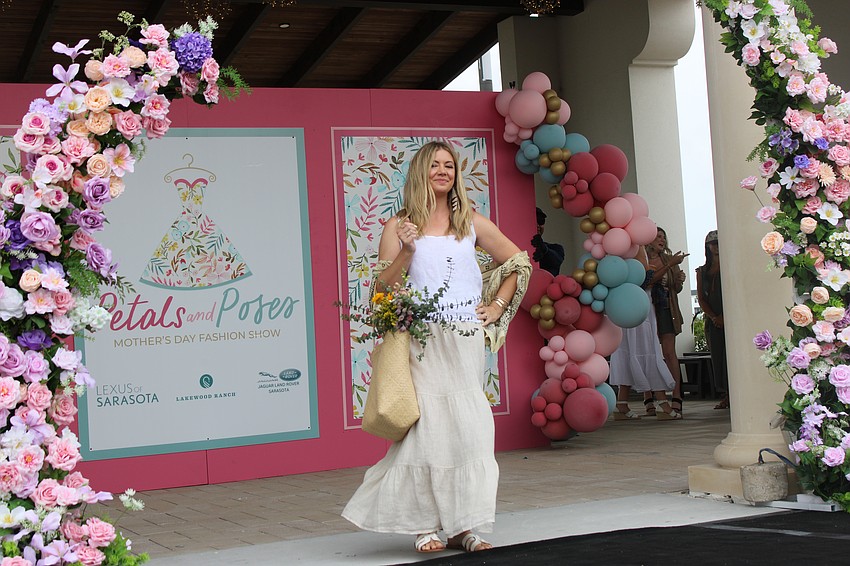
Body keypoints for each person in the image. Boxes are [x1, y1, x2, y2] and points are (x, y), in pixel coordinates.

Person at [342, 141, 531, 553]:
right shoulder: (399, 225)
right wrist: (408, 251)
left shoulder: (471, 222)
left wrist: (497, 307)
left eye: (449, 165)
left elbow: (519, 262)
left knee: (470, 430)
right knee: (429, 431)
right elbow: (382, 289)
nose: (443, 171)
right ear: (420, 172)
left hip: (465, 339)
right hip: (422, 339)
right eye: (434, 165)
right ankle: (424, 525)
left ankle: (464, 526)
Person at [608, 245, 682, 420]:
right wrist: (659, 269)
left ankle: (622, 403)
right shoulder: (634, 247)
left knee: (632, 350)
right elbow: (644, 281)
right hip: (637, 304)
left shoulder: (619, 248)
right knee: (646, 349)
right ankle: (662, 403)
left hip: (627, 302)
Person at [644, 227, 687, 416]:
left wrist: (679, 280)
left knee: (669, 353)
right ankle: (648, 396)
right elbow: (647, 281)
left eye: (663, 237)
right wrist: (670, 265)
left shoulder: (669, 259)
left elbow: (676, 288)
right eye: (658, 237)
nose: (662, 240)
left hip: (666, 309)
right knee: (648, 352)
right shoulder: (642, 259)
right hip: (646, 310)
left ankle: (676, 395)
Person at [696, 230, 728, 409]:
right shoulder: (702, 271)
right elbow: (701, 298)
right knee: (717, 357)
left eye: (719, 243)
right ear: (708, 247)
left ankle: (734, 393)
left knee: (730, 356)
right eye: (713, 244)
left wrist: (726, 316)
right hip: (714, 320)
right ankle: (725, 394)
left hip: (730, 317)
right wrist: (714, 317)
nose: (716, 247)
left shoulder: (729, 266)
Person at [531, 207, 565, 275]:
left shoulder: (556, 248)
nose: (537, 225)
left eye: (541, 221)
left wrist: (543, 249)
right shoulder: (515, 248)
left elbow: (556, 261)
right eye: (533, 221)